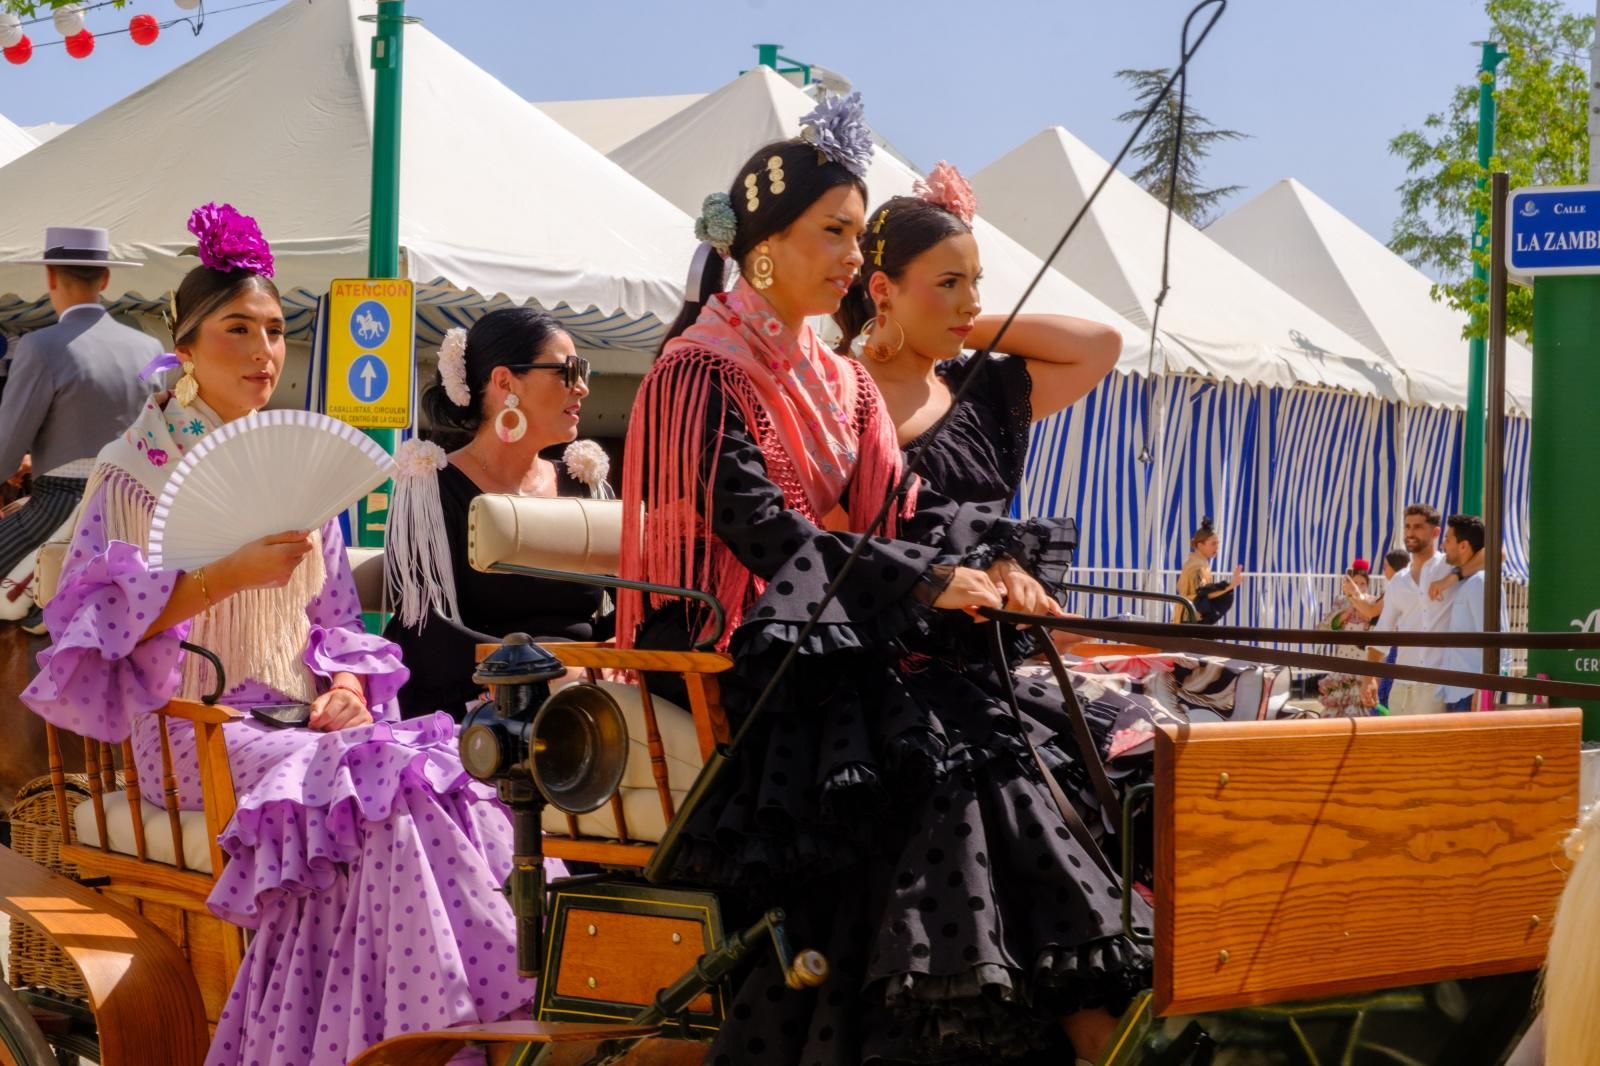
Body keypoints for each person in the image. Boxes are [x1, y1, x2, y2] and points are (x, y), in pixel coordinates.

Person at [619, 95, 1151, 1065]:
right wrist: (924, 583)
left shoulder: (840, 381)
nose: (847, 258)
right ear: (764, 246)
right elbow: (769, 537)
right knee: (942, 751)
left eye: (854, 237)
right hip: (739, 649)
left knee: (997, 727)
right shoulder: (701, 371)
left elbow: (901, 509)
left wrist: (994, 563)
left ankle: (1064, 1008)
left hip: (831, 642)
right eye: (830, 235)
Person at [21, 204, 532, 1066]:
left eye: (274, 330)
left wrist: (341, 688)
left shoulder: (301, 473)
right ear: (184, 350)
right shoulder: (133, 470)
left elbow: (335, 625)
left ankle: (436, 1022)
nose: (265, 352)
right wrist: (219, 578)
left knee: (440, 776)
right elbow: (82, 623)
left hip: (300, 724)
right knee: (384, 788)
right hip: (192, 725)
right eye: (238, 330)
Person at [832, 162, 1120, 507]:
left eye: (975, 282)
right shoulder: (838, 390)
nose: (974, 303)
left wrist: (954, 330)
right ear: (883, 289)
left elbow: (1099, 345)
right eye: (949, 283)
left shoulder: (977, 391)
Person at [383, 307, 612, 720]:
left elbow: (618, 610)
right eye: (567, 371)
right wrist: (539, 673)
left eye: (585, 371)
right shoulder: (430, 486)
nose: (582, 388)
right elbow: (425, 629)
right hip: (478, 713)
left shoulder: (583, 483)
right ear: (505, 381)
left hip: (590, 703)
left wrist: (609, 664)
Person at [0, 225, 160, 593]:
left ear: (50, 276)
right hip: (133, 512)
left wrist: (16, 462)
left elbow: (5, 452)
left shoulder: (40, 346)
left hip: (61, 506)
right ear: (105, 278)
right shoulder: (149, 349)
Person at [1368, 504, 1452, 715]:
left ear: (1435, 532)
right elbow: (1383, 631)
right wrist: (1368, 678)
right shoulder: (1399, 580)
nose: (1410, 533)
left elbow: (1497, 556)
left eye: (1417, 527)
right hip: (1402, 682)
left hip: (1437, 683)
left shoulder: (1450, 567)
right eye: (1407, 526)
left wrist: (1453, 578)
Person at [1430, 514, 1507, 711]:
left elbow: (1498, 643)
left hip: (1472, 694)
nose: (1442, 545)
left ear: (1463, 546)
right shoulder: (1468, 581)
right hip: (1458, 692)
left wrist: (1484, 691)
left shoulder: (1480, 583)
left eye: (1447, 539)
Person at [1316, 559, 1378, 715]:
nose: (1358, 587)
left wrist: (1362, 608)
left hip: (1364, 662)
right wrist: (1346, 613)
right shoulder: (1341, 601)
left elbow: (1378, 628)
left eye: (1362, 583)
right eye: (1355, 583)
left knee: (1360, 708)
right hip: (1343, 661)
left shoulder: (1373, 603)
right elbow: (1325, 627)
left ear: (1367, 585)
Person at [1176, 518, 1244, 624]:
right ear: (1200, 545)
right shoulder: (1196, 567)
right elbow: (1200, 596)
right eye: (1213, 544)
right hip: (1191, 619)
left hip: (1191, 616)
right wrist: (1230, 586)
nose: (1217, 547)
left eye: (1217, 543)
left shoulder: (1200, 563)